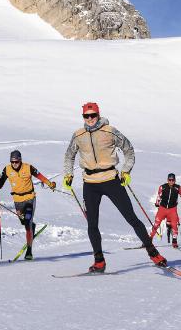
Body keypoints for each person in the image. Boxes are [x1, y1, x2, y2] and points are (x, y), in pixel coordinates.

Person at [63, 102, 166, 272]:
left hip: (111, 179)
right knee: (92, 224)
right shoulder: (78, 135)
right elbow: (69, 155)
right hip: (90, 183)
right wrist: (69, 174)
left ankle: (153, 252)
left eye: (92, 115)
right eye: (86, 116)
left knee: (131, 218)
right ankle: (99, 261)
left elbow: (129, 150)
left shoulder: (110, 131)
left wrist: (126, 171)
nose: (89, 119)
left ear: (98, 114)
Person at [0, 149, 55, 260]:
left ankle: (29, 251)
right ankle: (31, 225)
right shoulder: (7, 169)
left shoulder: (28, 167)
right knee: (23, 221)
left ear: (20, 160)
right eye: (12, 162)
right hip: (17, 200)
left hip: (29, 198)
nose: (14, 164)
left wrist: (50, 183)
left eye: (16, 162)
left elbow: (40, 176)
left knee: (27, 223)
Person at [150, 173, 181, 248]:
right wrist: (157, 203)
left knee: (174, 224)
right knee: (156, 224)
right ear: (167, 180)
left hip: (172, 209)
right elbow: (159, 196)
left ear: (175, 180)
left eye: (173, 180)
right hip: (162, 209)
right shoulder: (162, 187)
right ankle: (149, 240)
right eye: (170, 180)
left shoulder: (178, 188)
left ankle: (174, 241)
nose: (171, 181)